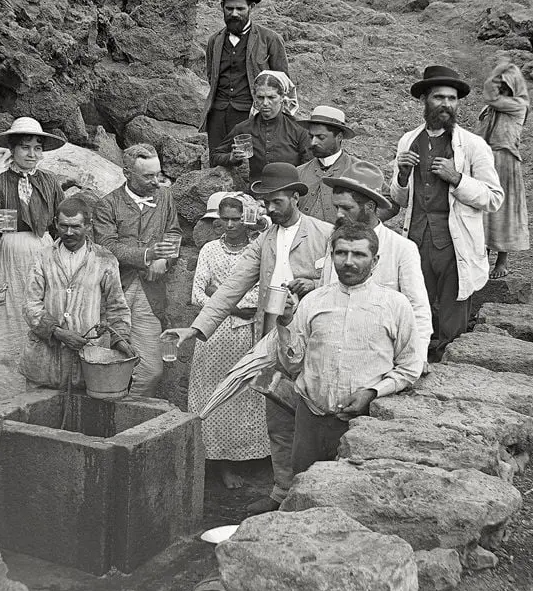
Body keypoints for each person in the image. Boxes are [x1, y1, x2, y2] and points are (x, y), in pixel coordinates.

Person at [163, 163, 333, 513]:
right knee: (279, 416)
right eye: (266, 202)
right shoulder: (265, 241)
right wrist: (194, 329)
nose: (270, 209)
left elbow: (342, 283)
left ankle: (317, 493)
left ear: (296, 196)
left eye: (277, 201)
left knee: (315, 415)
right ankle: (282, 491)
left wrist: (314, 286)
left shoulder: (325, 233)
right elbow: (230, 289)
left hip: (318, 339)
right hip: (276, 338)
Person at [277, 222, 423, 475]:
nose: (348, 262)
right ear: (331, 256)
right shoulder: (313, 301)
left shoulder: (396, 305)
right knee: (303, 489)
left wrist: (372, 392)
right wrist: (285, 322)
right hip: (310, 418)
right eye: (341, 253)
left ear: (375, 260)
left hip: (363, 424)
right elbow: (292, 363)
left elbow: (410, 367)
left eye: (359, 254)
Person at [390, 65, 503, 361]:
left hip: (456, 244)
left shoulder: (473, 145)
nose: (446, 104)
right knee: (417, 307)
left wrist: (457, 178)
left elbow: (493, 198)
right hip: (416, 241)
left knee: (453, 317)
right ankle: (416, 365)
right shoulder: (408, 141)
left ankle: (450, 370)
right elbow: (400, 200)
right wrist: (402, 175)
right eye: (439, 97)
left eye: (452, 99)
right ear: (424, 99)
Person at [0, 116, 65, 399]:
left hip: (42, 256)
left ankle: (39, 386)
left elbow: (62, 222)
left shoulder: (50, 182)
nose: (32, 154)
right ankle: (5, 391)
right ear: (12, 150)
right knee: (9, 318)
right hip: (6, 260)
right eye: (25, 147)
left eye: (37, 148)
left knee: (39, 314)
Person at [188, 195, 270, 489]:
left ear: (246, 219)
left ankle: (243, 460)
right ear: (218, 220)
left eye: (237, 218)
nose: (231, 224)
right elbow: (197, 295)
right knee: (212, 396)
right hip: (214, 336)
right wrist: (231, 302)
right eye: (226, 218)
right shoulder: (209, 250)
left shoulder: (258, 249)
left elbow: (259, 298)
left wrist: (221, 297)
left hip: (246, 334)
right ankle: (217, 463)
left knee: (244, 397)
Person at [319, 160, 432, 362]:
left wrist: (418, 358)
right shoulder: (335, 241)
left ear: (370, 207)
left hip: (380, 355)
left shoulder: (401, 248)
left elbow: (418, 309)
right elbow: (324, 291)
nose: (338, 215)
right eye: (336, 207)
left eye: (346, 208)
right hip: (332, 351)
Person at [93, 144, 181, 399]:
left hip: (149, 295)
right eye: (148, 176)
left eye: (158, 174)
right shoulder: (107, 205)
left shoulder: (164, 197)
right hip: (114, 292)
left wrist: (164, 260)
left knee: (151, 370)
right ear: (126, 173)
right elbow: (107, 247)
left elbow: (173, 232)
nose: (156, 182)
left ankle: (134, 411)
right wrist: (146, 256)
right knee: (109, 361)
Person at [20, 198, 134, 390]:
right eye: (63, 226)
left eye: (75, 226)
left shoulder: (104, 259)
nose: (69, 232)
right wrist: (58, 332)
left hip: (88, 361)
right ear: (56, 223)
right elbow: (31, 305)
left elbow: (117, 307)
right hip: (46, 362)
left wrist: (120, 340)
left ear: (88, 226)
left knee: (84, 415)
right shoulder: (42, 257)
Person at [202, 0, 290, 155]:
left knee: (250, 165)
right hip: (217, 117)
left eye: (240, 9)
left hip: (252, 116)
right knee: (217, 163)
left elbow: (282, 83)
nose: (234, 14)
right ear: (222, 7)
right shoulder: (215, 40)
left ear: (251, 8)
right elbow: (211, 75)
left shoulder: (269, 39)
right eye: (229, 8)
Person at [477, 61, 530, 278]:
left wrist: (499, 70)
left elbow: (490, 95)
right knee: (483, 208)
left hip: (505, 160)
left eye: (507, 85)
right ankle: (483, 256)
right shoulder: (490, 109)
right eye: (501, 85)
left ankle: (502, 260)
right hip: (487, 158)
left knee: (503, 209)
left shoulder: (518, 104)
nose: (502, 88)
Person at [211, 71, 310, 181]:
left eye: (271, 97)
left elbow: (310, 166)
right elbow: (216, 155)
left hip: (288, 192)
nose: (265, 103)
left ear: (282, 97)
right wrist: (231, 158)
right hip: (255, 191)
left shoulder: (298, 129)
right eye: (260, 97)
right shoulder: (243, 128)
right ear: (254, 98)